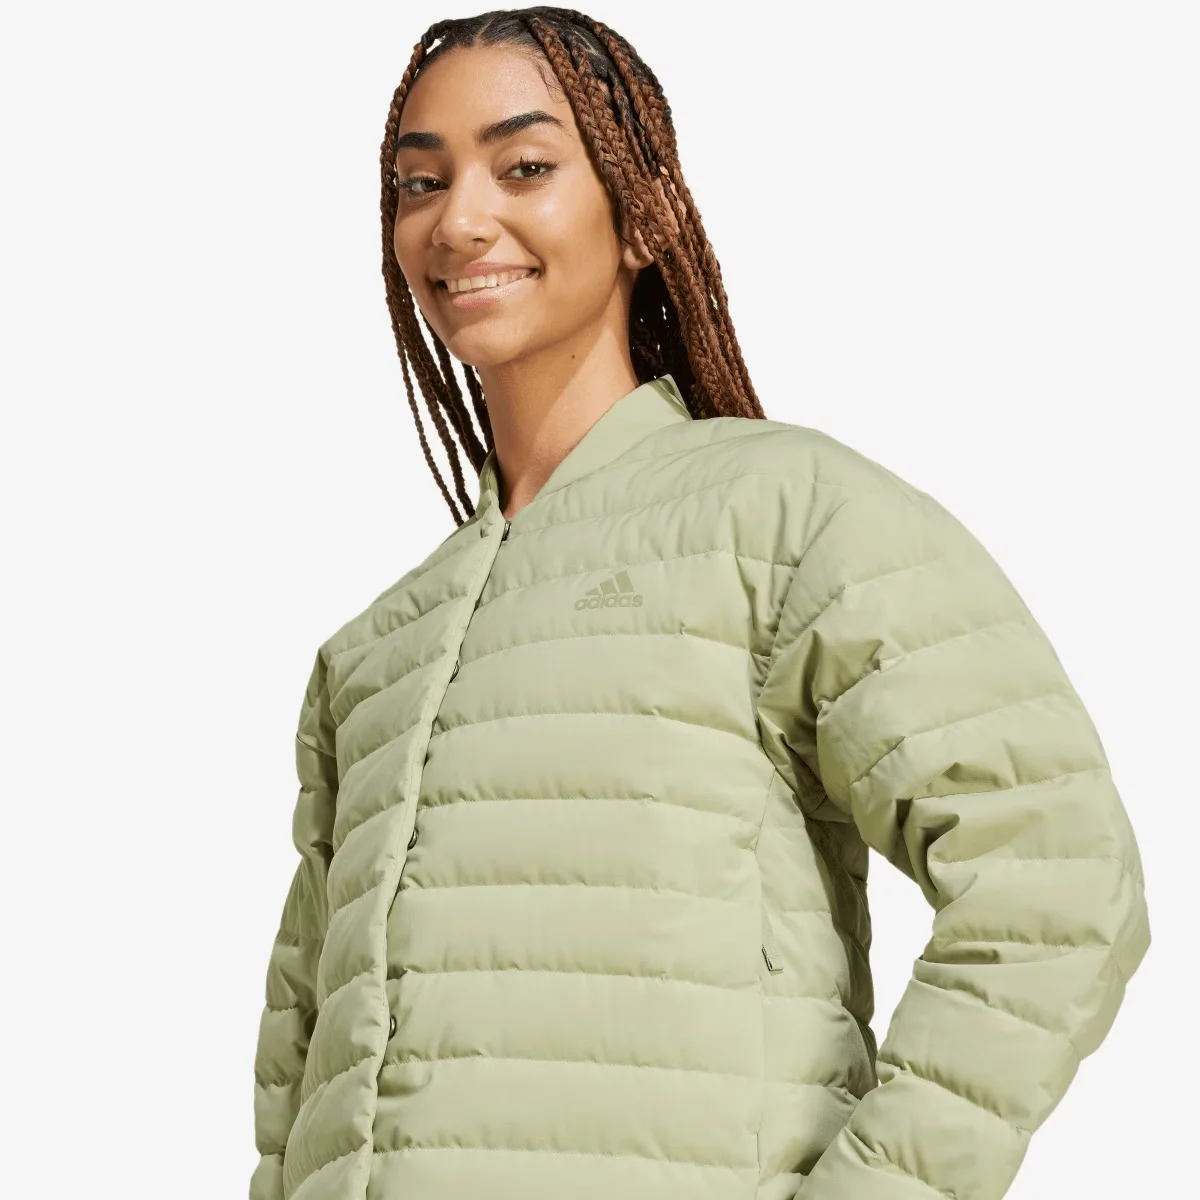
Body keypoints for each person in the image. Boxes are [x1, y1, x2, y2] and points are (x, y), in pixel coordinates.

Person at [247, 8, 1151, 1200]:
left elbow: (1058, 878)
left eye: (524, 166)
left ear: (644, 213)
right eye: (421, 182)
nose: (458, 219)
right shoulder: (375, 650)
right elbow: (296, 1075)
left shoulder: (784, 514)